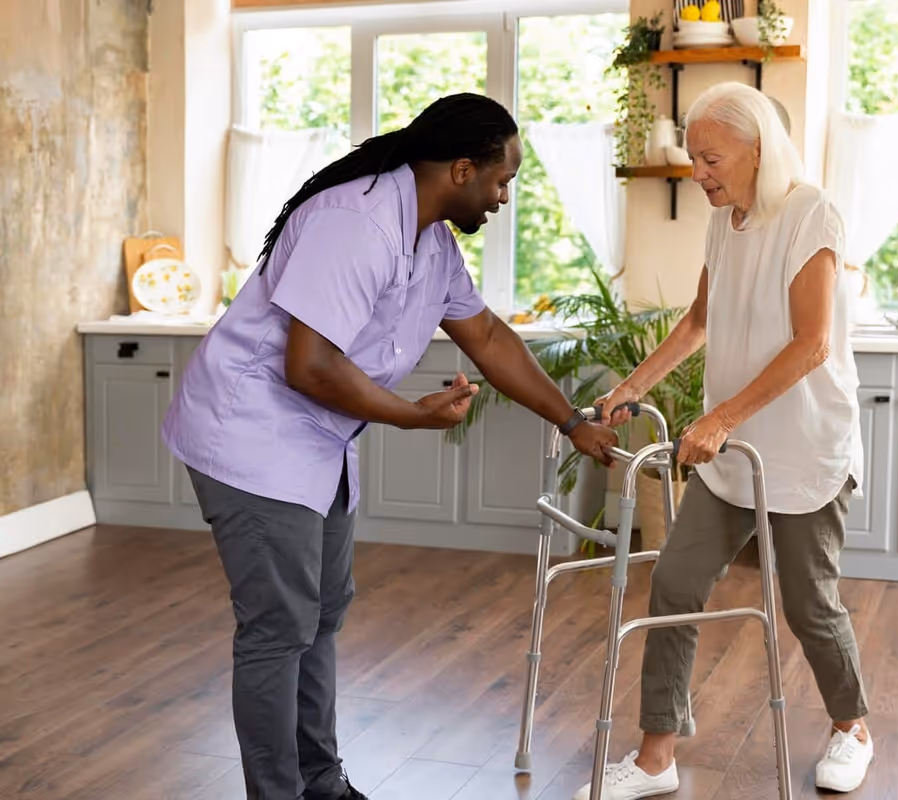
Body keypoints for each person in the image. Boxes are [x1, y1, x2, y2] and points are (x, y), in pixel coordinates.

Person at [161, 93, 618, 800]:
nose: (503, 197)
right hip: (251, 436)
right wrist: (410, 416)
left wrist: (571, 420)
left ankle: (321, 783)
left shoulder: (431, 242)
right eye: (501, 181)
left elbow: (489, 337)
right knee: (279, 626)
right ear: (462, 169)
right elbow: (308, 365)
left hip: (318, 441)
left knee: (320, 613)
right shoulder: (356, 224)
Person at [575, 82, 871, 799]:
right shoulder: (727, 219)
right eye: (693, 159)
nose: (698, 173)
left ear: (758, 149)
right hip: (730, 453)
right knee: (675, 584)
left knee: (809, 604)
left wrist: (720, 419)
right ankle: (656, 755)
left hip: (802, 447)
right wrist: (631, 388)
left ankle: (852, 727)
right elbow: (697, 322)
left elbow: (811, 345)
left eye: (711, 158)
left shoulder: (810, 213)